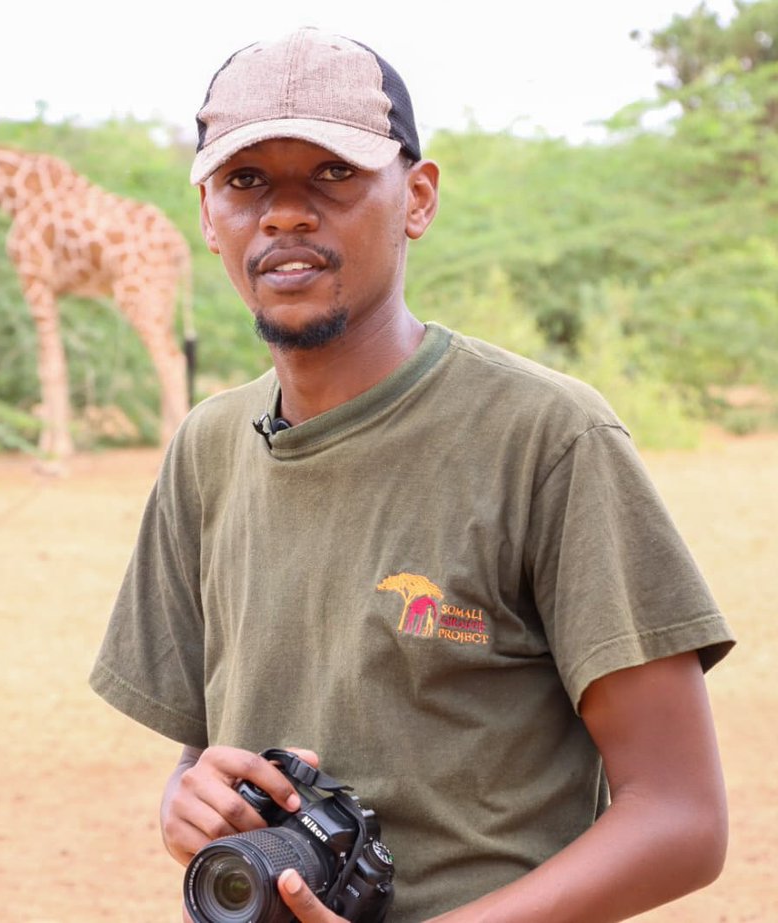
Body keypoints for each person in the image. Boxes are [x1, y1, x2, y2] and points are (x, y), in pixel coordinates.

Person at [89, 26, 734, 923]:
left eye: (332, 175)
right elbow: (204, 755)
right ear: (207, 214)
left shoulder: (548, 439)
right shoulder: (207, 447)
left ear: (417, 197)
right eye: (246, 182)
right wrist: (184, 804)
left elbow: (681, 817)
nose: (284, 215)